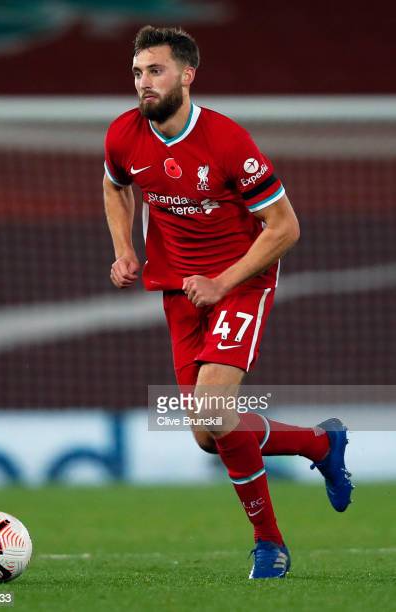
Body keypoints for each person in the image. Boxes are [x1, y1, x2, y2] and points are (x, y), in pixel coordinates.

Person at [103, 25, 353, 579]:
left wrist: (221, 282)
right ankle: (319, 443)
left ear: (187, 75)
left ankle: (270, 545)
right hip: (178, 290)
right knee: (207, 435)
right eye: (138, 72)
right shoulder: (123, 134)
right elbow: (115, 185)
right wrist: (123, 249)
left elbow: (284, 226)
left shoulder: (227, 141)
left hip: (241, 281)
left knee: (213, 410)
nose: (144, 82)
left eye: (156, 70)